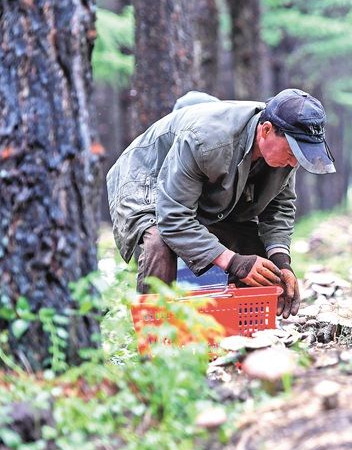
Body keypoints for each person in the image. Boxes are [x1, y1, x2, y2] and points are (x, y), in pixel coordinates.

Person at [107, 88, 336, 319]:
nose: (295, 161)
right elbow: (174, 219)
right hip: (145, 177)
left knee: (257, 258)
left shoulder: (284, 144)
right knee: (159, 242)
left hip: (199, 183)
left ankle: (235, 334)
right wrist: (232, 261)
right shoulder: (206, 140)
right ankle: (155, 336)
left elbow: (279, 208)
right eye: (292, 152)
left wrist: (281, 261)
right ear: (266, 131)